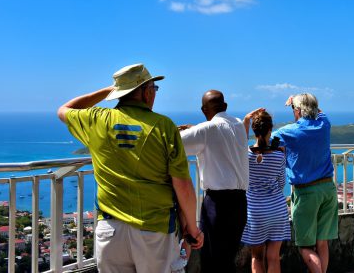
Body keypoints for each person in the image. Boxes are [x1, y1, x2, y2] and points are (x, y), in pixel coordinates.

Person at [57, 63, 203, 273]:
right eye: (153, 88)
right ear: (144, 91)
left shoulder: (97, 120)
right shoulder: (163, 126)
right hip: (154, 229)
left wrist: (109, 91)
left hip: (110, 230)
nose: (154, 93)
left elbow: (64, 110)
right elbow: (183, 185)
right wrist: (193, 228)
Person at [178, 90, 252, 272]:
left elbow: (173, 143)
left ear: (203, 110)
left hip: (217, 205)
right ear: (225, 106)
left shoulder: (206, 130)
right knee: (227, 258)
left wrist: (191, 130)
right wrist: (196, 129)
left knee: (212, 260)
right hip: (240, 203)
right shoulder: (238, 126)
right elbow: (220, 135)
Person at [271, 93, 338, 273]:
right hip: (328, 189)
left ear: (298, 111)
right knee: (322, 243)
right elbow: (321, 111)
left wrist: (293, 103)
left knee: (305, 247)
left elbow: (268, 143)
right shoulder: (324, 124)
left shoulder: (289, 132)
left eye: (294, 109)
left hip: (306, 192)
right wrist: (300, 103)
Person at [241, 110, 291, 273]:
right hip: (277, 210)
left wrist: (246, 121)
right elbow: (282, 183)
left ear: (255, 131)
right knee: (274, 257)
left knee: (257, 257)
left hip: (255, 211)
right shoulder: (279, 155)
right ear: (270, 130)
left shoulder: (244, 155)